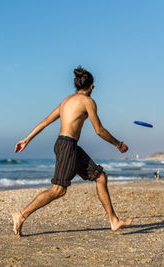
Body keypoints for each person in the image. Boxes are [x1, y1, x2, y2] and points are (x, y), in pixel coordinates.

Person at [12, 66, 133, 237]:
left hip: (69, 146)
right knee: (58, 190)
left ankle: (114, 220)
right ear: (91, 86)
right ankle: (21, 214)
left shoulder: (66, 101)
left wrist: (27, 139)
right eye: (93, 87)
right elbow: (99, 130)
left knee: (100, 176)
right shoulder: (88, 102)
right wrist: (118, 144)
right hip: (67, 146)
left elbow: (46, 121)